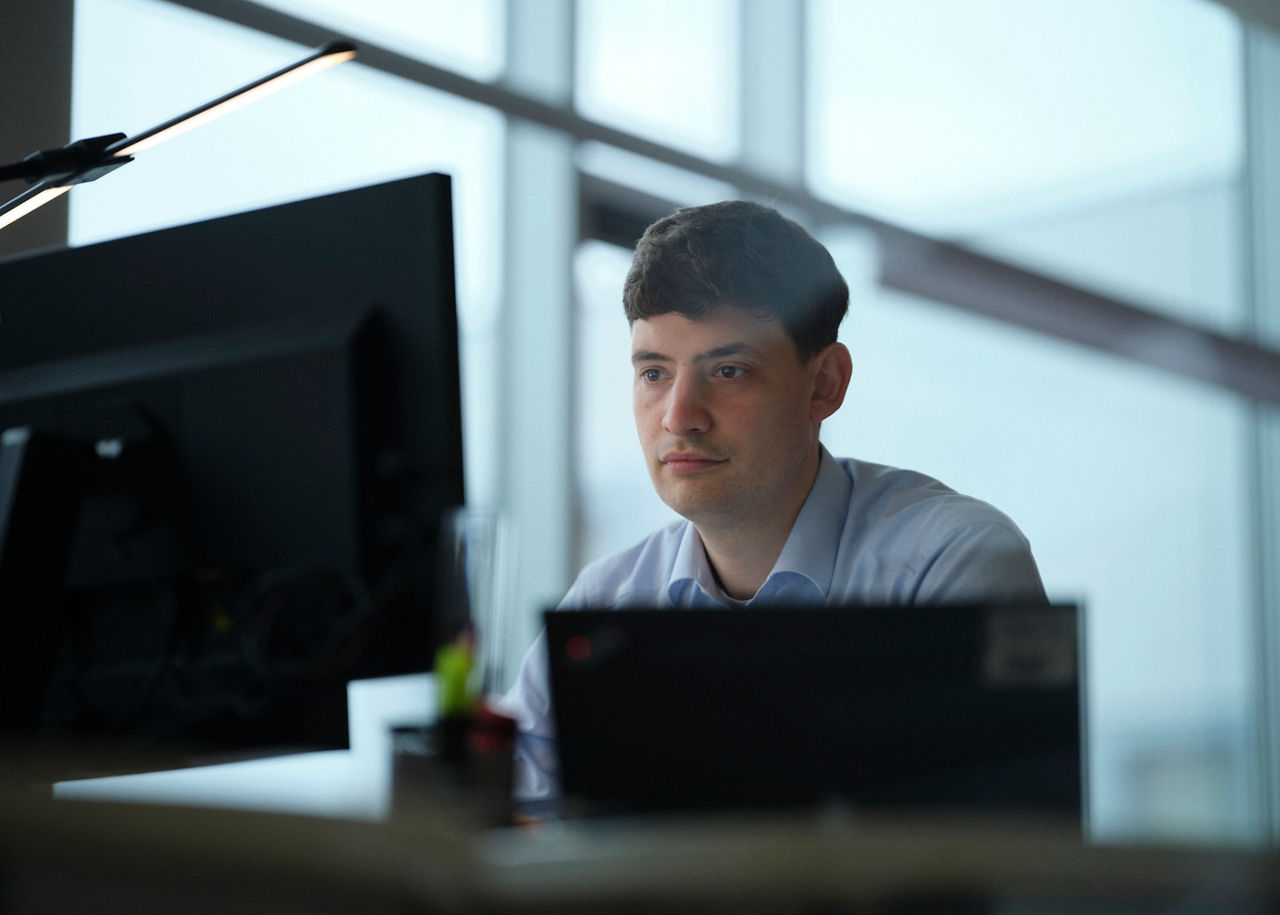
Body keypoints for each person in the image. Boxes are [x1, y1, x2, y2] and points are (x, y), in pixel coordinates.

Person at [499, 200, 1046, 802]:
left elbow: (992, 862)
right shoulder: (604, 604)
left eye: (729, 370)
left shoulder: (952, 565)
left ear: (825, 384)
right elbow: (504, 837)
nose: (679, 417)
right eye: (654, 373)